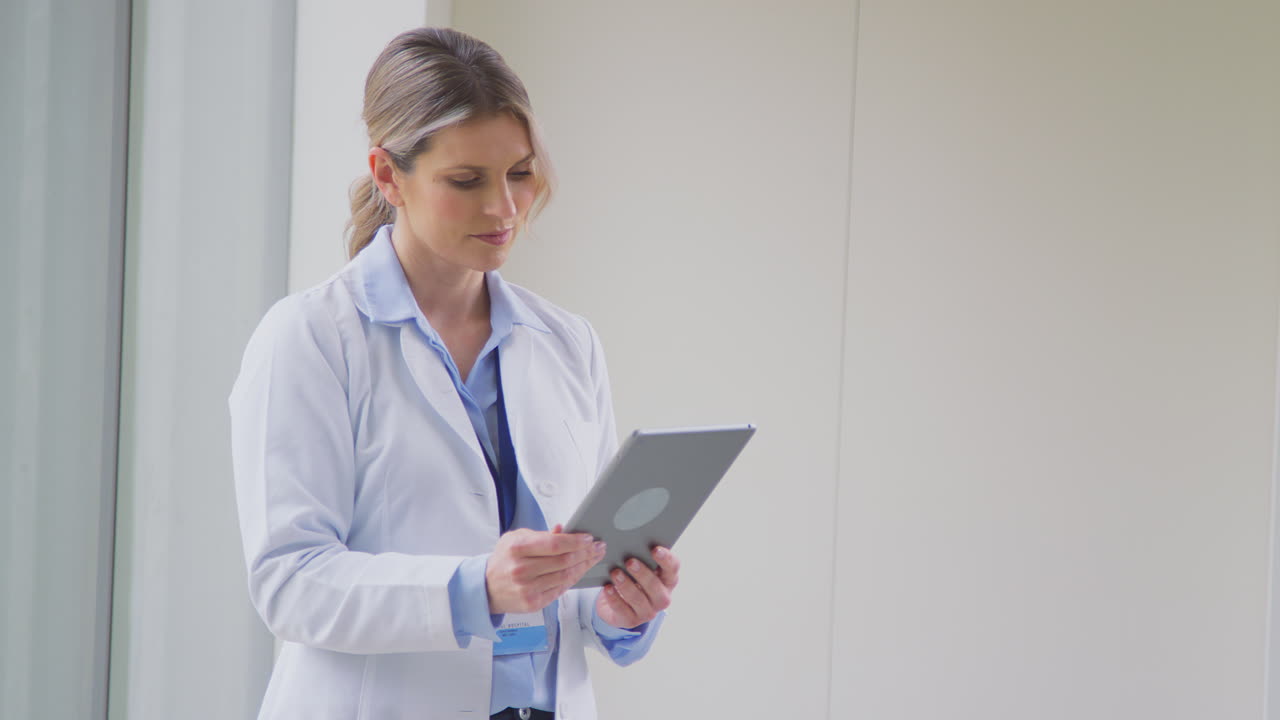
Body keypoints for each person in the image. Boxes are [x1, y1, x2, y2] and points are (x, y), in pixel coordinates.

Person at [229, 27, 680, 720]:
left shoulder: (568, 343)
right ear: (387, 175)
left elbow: (575, 589)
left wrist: (620, 608)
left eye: (519, 174)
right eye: (466, 181)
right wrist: (475, 588)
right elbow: (290, 583)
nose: (503, 208)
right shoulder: (311, 338)